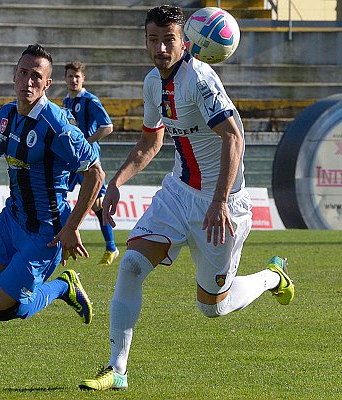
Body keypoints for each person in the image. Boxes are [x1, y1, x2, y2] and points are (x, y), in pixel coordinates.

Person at [79, 5, 294, 391]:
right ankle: (117, 370)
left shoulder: (200, 79)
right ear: (145, 40)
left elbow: (233, 137)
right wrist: (116, 182)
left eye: (169, 40)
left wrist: (220, 201)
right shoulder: (151, 82)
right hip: (178, 193)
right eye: (153, 39)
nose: (160, 48)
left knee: (212, 307)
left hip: (222, 204)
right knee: (129, 265)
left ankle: (270, 276)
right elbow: (150, 140)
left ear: (185, 41)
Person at [0, 44, 105, 374]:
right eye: (23, 73)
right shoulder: (6, 116)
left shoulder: (57, 124)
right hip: (12, 219)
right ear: (14, 75)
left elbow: (95, 173)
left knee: (0, 307)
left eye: (37, 76)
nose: (28, 81)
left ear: (47, 84)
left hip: (45, 233)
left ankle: (63, 287)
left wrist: (72, 227)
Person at [63, 61, 119, 265]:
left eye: (77, 76)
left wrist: (86, 143)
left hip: (88, 162)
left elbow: (108, 127)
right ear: (65, 78)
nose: (74, 80)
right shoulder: (66, 101)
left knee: (98, 204)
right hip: (71, 160)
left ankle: (111, 247)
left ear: (83, 79)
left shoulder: (90, 101)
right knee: (57, 194)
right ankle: (59, 237)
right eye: (70, 76)